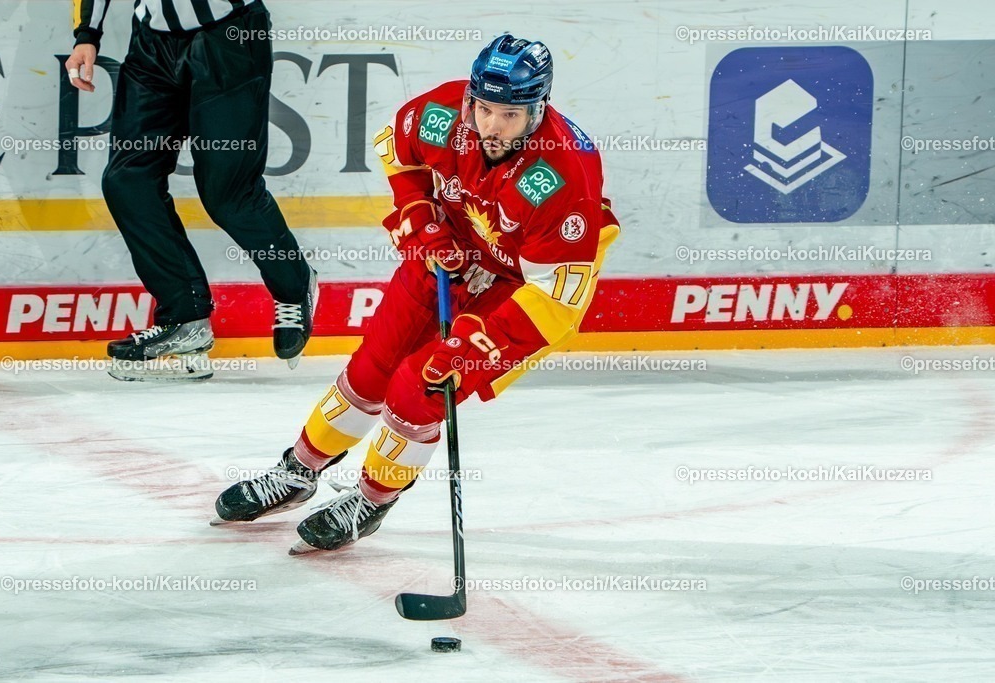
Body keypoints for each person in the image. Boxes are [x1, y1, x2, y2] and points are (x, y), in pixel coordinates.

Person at [212, 34, 620, 553]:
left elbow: (556, 296)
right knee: (371, 368)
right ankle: (298, 470)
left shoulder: (563, 177)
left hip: (526, 287)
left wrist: (477, 343)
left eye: (509, 115)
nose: (491, 127)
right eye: (484, 108)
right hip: (449, 251)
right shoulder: (443, 113)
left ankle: (371, 499)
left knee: (418, 387)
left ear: (538, 109)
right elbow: (397, 149)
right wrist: (419, 215)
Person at [65, 0, 315, 381]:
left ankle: (294, 284)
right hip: (152, 44)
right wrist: (87, 33)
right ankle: (185, 316)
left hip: (229, 36)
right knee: (128, 180)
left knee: (228, 193)